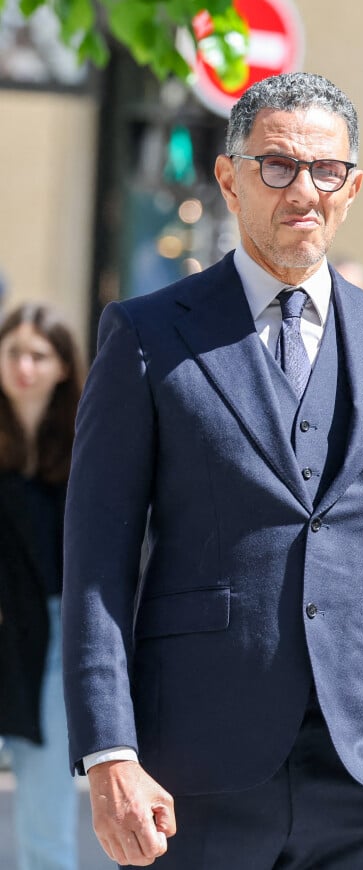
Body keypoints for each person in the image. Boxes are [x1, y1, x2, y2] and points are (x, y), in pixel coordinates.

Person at [61, 71, 363, 870]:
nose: (303, 191)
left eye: (327, 172)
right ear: (229, 177)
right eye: (278, 166)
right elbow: (97, 569)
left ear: (352, 188)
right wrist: (111, 751)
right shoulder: (145, 336)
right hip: (197, 769)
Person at [0, 303, 85, 870]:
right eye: (13, 352)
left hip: (56, 638)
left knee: (45, 819)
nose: (24, 366)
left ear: (62, 366)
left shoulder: (87, 443)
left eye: (39, 354)